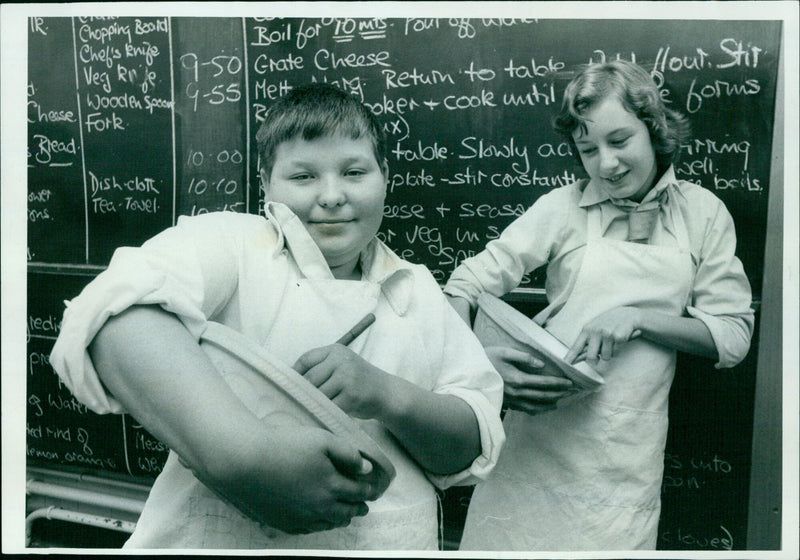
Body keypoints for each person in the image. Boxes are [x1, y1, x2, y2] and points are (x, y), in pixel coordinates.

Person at [49, 83, 505, 550]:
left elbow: (470, 446)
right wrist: (247, 460)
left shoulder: (419, 287)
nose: (331, 195)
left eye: (353, 172)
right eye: (303, 177)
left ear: (384, 175)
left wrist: (383, 393)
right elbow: (111, 314)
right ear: (266, 182)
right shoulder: (232, 243)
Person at [444, 60, 754, 551]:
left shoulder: (702, 213)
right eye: (588, 150)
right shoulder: (561, 208)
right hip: (535, 446)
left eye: (620, 140)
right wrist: (474, 362)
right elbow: (463, 286)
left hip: (625, 457)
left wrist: (638, 320)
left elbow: (733, 337)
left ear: (654, 128)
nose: (605, 163)